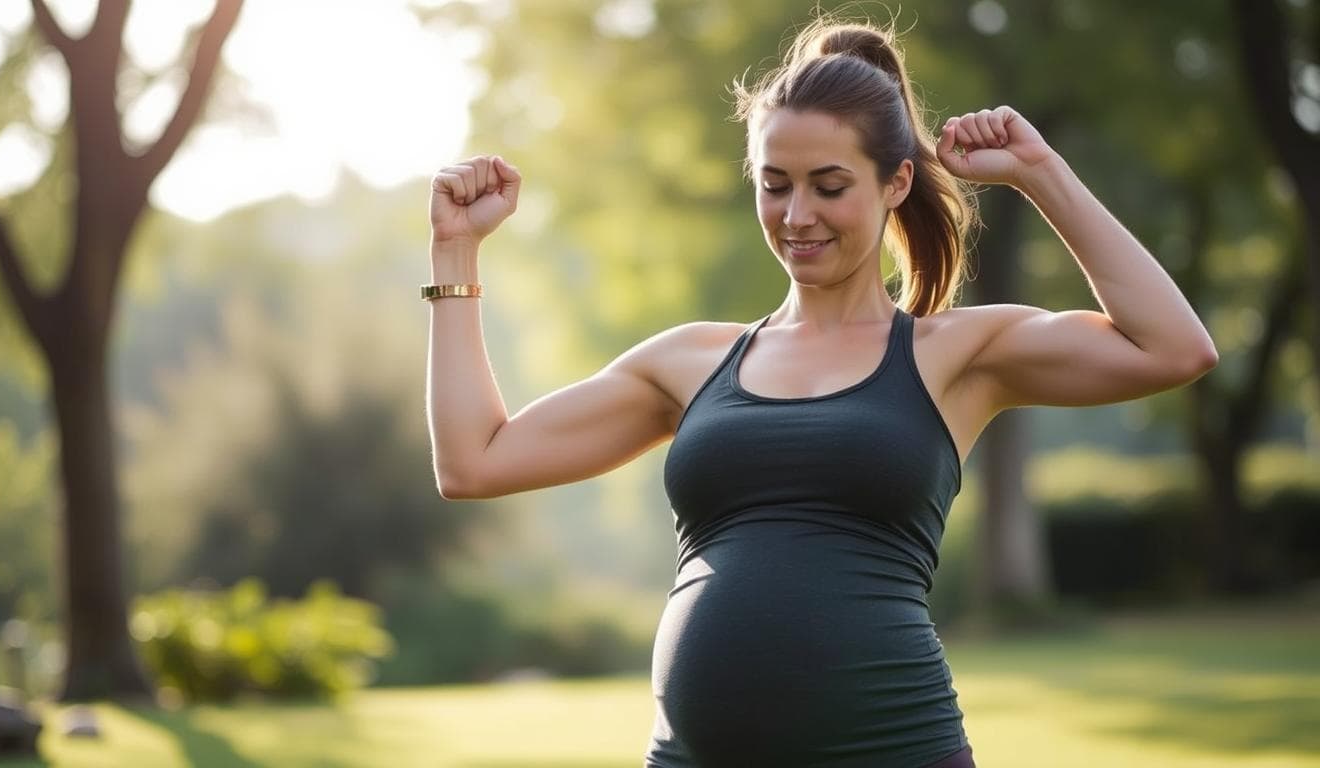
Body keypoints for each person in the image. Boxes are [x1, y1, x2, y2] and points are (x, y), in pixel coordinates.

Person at [424, 17, 1217, 768]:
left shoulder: (955, 354)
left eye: (829, 186)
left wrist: (1041, 175)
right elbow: (475, 461)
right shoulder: (690, 362)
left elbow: (1173, 348)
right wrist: (455, 253)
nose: (797, 216)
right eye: (775, 185)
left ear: (896, 181)